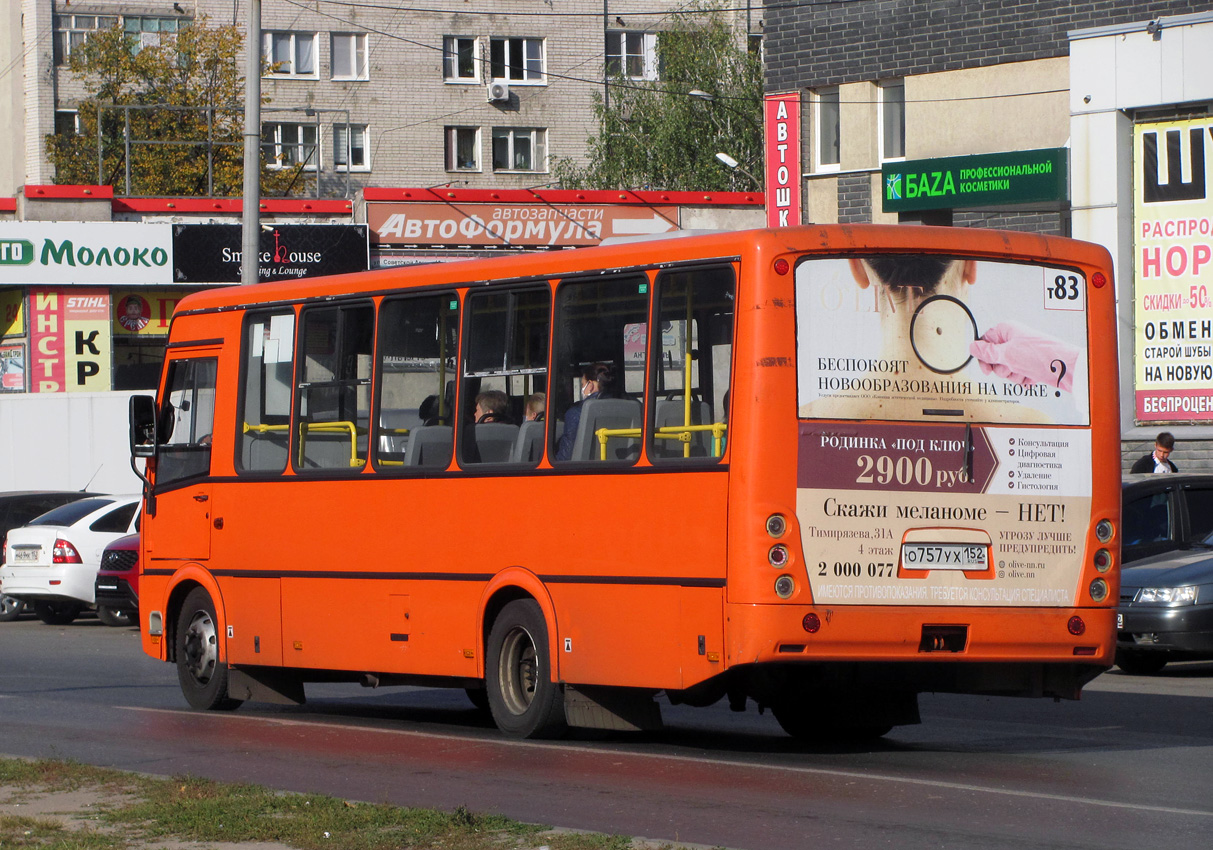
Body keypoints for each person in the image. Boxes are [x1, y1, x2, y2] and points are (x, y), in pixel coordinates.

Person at [554, 362, 616, 461]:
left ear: (590, 385)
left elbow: (565, 457)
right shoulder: (630, 408)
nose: (582, 388)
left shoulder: (576, 413)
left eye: (583, 384)